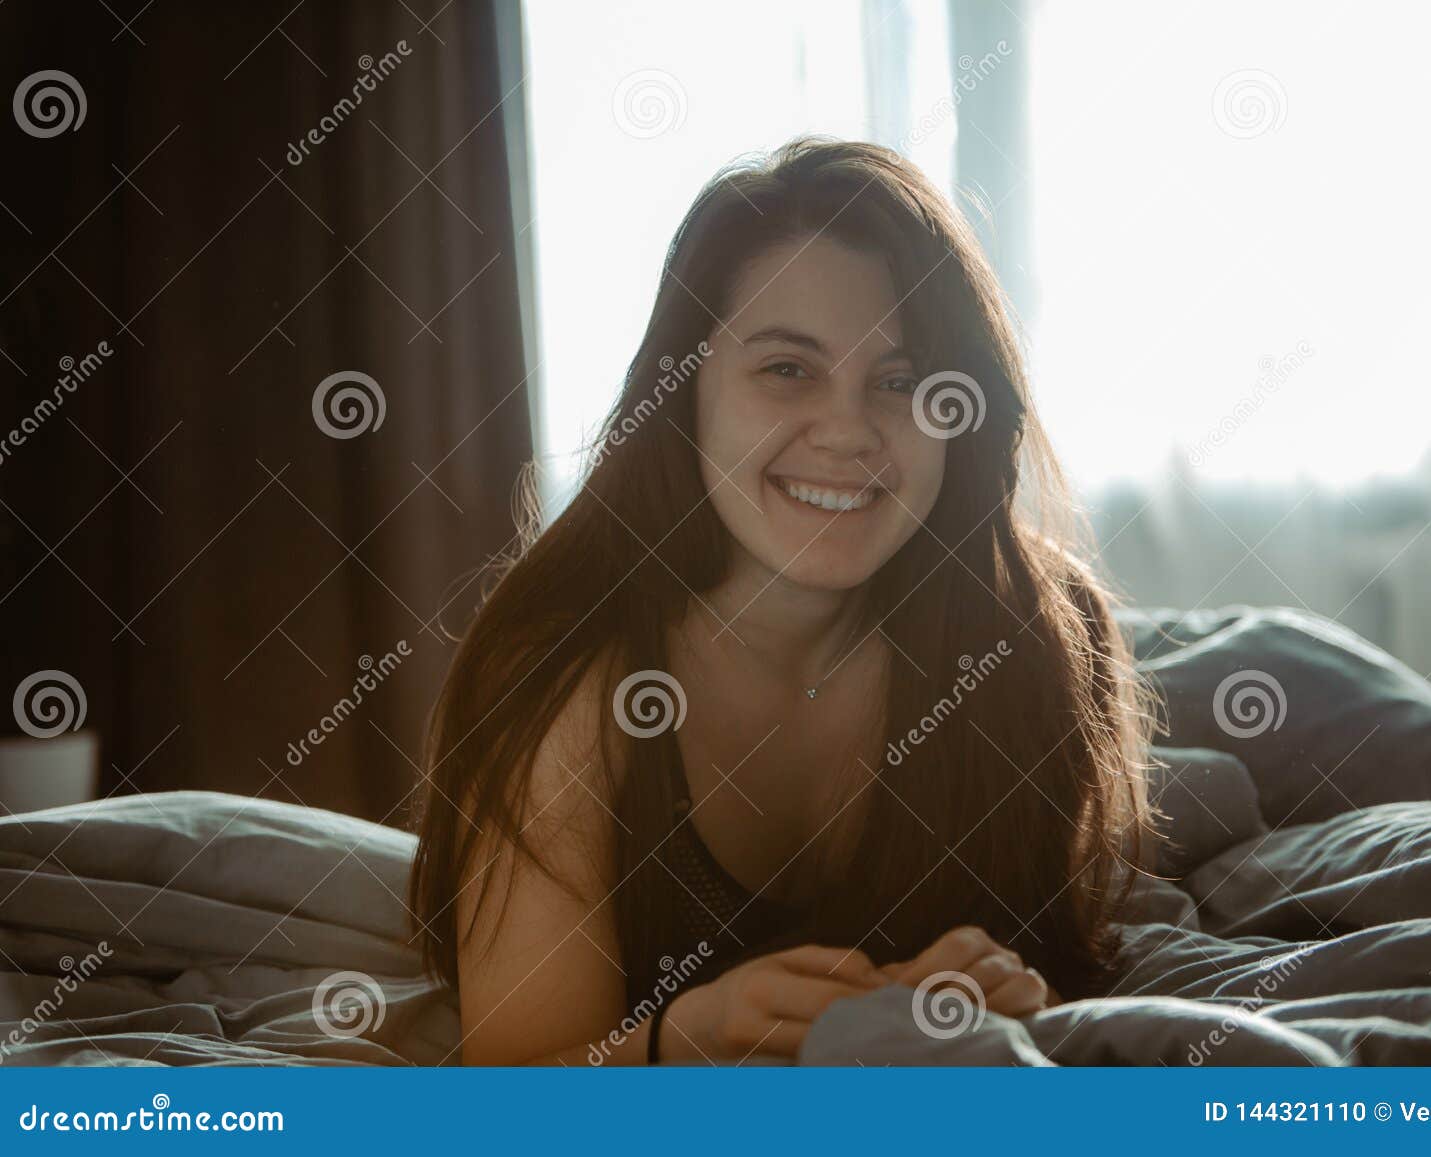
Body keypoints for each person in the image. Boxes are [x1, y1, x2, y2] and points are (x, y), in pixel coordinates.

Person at [409, 138, 1155, 1065]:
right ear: (684, 394)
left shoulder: (1039, 636)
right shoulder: (563, 673)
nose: (849, 430)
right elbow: (509, 1092)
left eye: (901, 380)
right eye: (788, 369)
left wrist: (1017, 995)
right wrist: (687, 1037)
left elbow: (1062, 975)